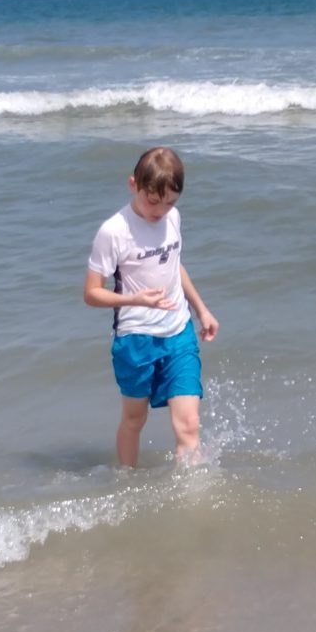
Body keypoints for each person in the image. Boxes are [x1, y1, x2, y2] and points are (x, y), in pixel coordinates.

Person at [83, 146, 220, 467]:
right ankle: (126, 482)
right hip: (135, 338)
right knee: (134, 420)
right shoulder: (113, 232)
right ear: (134, 184)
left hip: (178, 331)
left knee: (188, 423)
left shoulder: (173, 218)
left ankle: (190, 499)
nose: (160, 210)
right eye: (152, 200)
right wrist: (134, 299)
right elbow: (91, 294)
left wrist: (202, 309)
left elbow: (174, 265)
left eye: (170, 202)